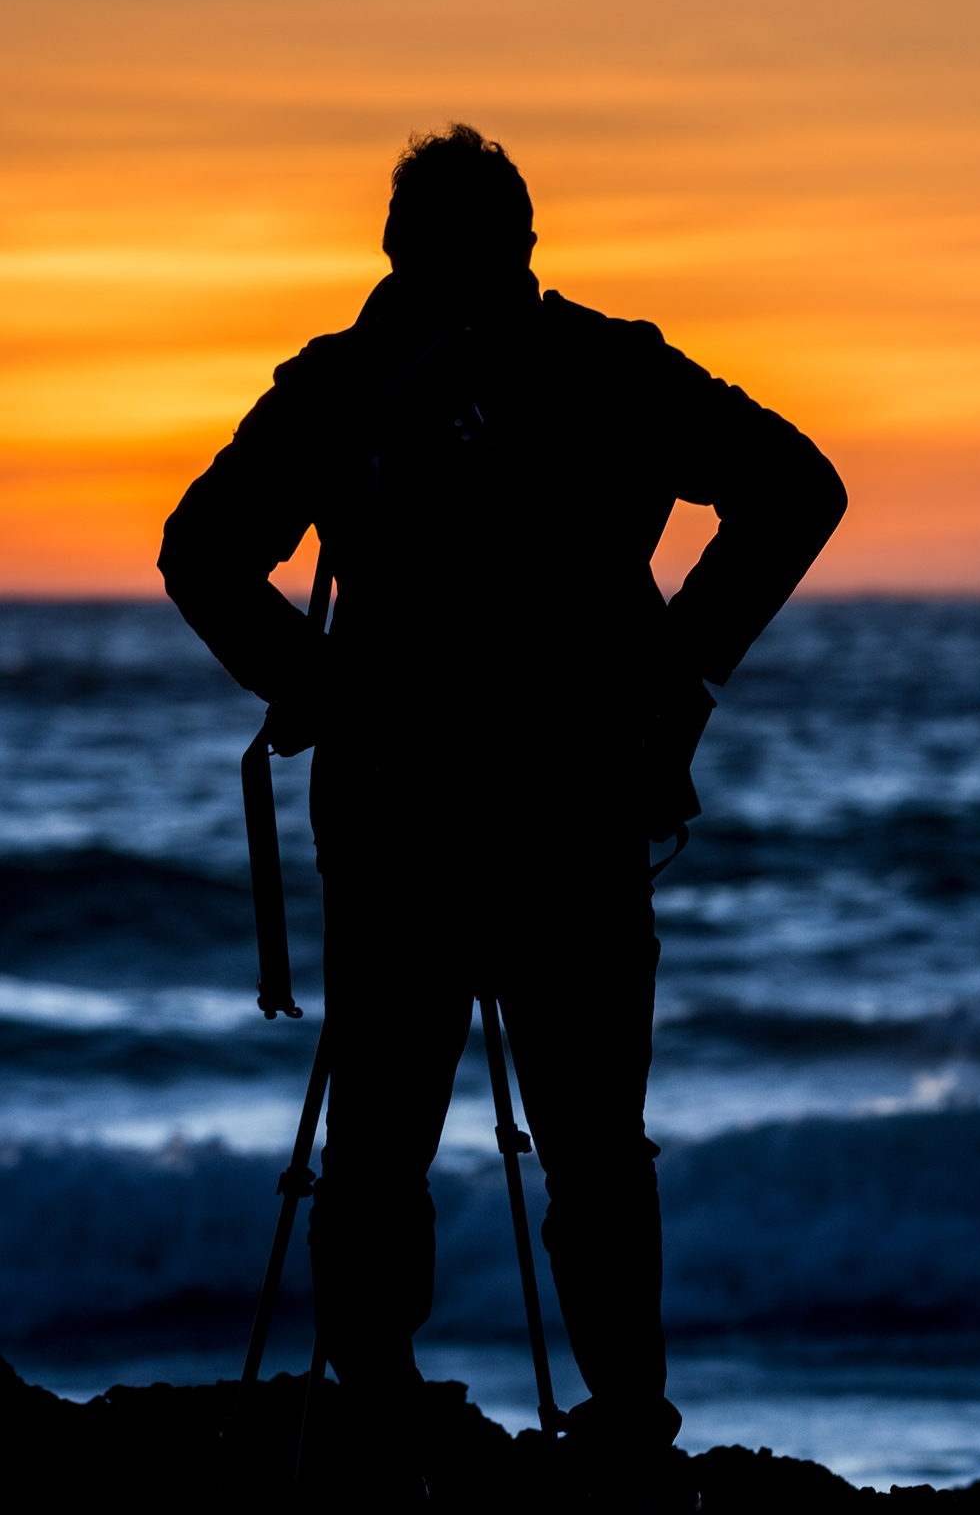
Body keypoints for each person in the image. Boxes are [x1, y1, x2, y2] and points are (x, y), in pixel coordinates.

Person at [158, 125, 846, 1505]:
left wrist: (317, 688)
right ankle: (623, 1427)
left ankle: (387, 1411)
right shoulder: (592, 368)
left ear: (397, 255)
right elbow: (795, 487)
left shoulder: (349, 385)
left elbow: (201, 551)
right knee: (586, 1145)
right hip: (553, 803)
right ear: (527, 246)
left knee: (394, 1140)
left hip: (433, 806)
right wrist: (678, 686)